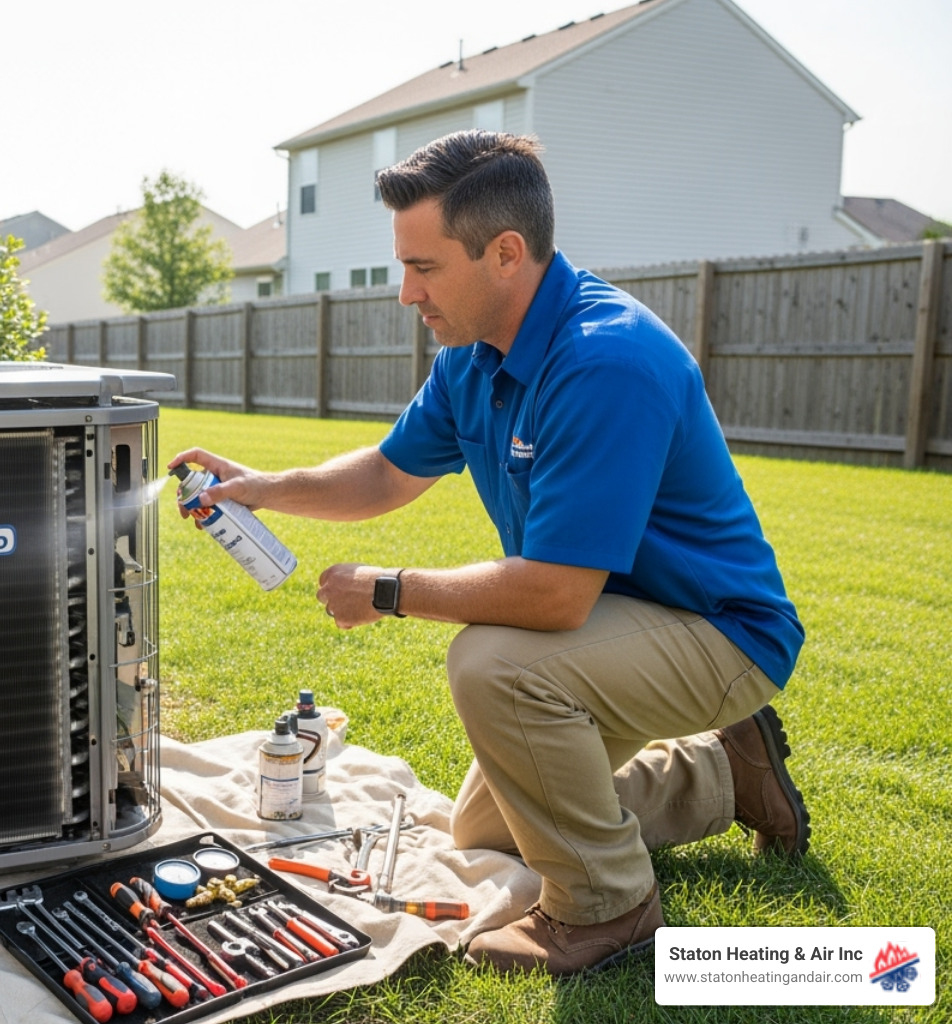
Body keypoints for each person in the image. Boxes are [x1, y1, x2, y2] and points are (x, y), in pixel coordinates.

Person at [169, 130, 809, 976]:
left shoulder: (605, 360)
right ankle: (724, 774)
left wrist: (389, 590)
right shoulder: (473, 359)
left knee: (494, 663)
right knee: (485, 830)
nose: (406, 293)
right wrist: (260, 488)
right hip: (616, 626)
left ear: (505, 253)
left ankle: (608, 907)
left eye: (424, 267)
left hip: (718, 633)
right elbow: (385, 475)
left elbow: (553, 598)